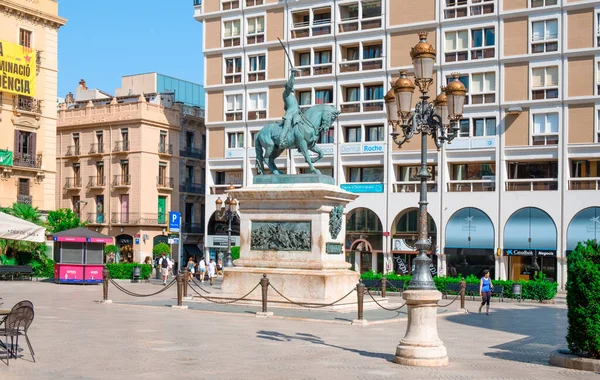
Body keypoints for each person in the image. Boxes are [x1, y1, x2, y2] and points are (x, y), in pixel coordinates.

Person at [279, 68, 301, 149]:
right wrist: (292, 75)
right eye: (291, 87)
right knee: (287, 126)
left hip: (296, 114)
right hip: (290, 114)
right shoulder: (286, 93)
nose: (292, 87)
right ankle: (281, 141)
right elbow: (290, 85)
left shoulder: (292, 96)